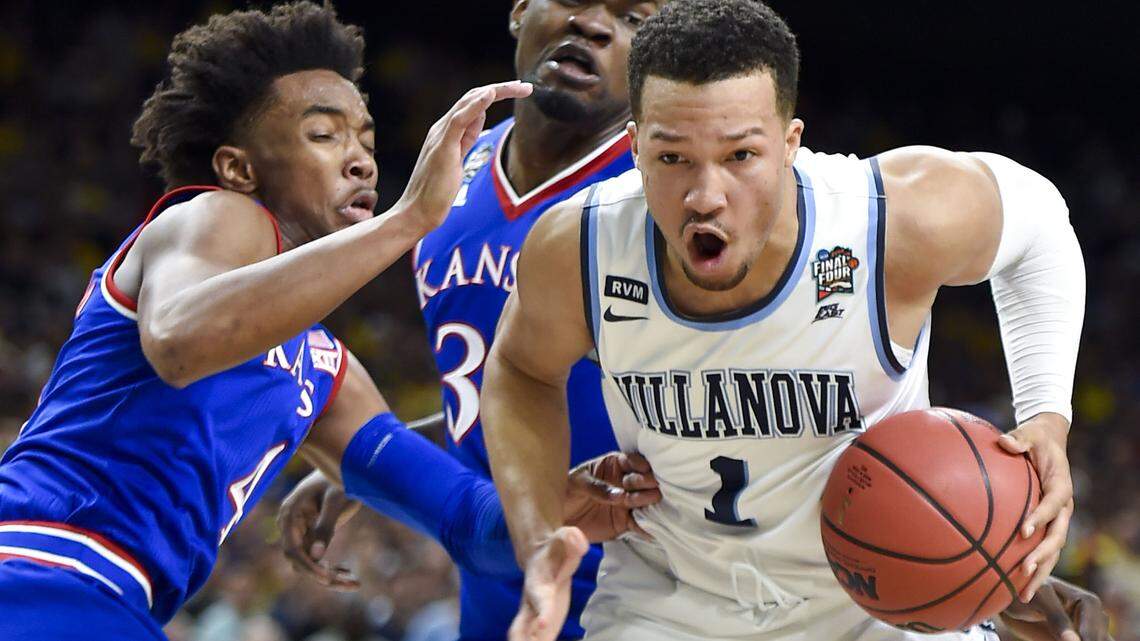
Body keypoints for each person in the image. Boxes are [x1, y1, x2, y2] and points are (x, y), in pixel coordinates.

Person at [480, 1, 1092, 640]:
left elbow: (1040, 228)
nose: (706, 196)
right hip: (667, 605)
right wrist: (538, 536)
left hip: (879, 613)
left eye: (741, 155)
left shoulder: (888, 219)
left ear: (790, 144)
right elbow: (520, 368)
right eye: (672, 158)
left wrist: (1046, 416)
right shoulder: (580, 245)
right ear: (635, 147)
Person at [0, 3, 551, 639]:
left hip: (111, 601)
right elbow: (179, 343)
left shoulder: (325, 368)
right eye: (325, 136)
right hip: (38, 564)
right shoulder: (216, 215)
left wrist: (572, 504)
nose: (361, 161)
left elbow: (464, 521)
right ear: (239, 169)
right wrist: (408, 221)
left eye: (368, 142)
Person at [277, 1, 665, 639]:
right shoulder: (460, 164)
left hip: (631, 582)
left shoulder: (660, 190)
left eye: (633, 18)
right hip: (490, 574)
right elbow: (499, 388)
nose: (594, 24)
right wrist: (389, 462)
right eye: (573, 0)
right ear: (520, 10)